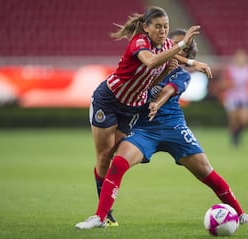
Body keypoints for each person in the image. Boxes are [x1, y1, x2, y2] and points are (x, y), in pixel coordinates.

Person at [75, 29, 248, 229]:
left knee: (205, 171)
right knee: (118, 163)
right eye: (170, 44)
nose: (169, 48)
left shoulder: (182, 75)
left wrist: (158, 103)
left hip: (174, 127)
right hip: (144, 128)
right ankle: (101, 217)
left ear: (185, 56)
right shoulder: (149, 67)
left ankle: (239, 213)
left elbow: (168, 90)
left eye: (178, 46)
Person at [85, 6, 212, 226]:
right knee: (104, 157)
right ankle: (105, 214)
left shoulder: (166, 45)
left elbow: (177, 56)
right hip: (108, 100)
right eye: (158, 26)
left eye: (166, 27)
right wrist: (182, 44)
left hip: (131, 107)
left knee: (116, 156)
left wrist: (193, 63)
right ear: (146, 27)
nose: (163, 31)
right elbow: (152, 61)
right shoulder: (140, 42)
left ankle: (101, 214)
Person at [219, 49, 248, 146]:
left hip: (244, 97)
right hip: (232, 97)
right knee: (234, 120)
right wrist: (228, 84)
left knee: (245, 120)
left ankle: (237, 134)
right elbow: (222, 83)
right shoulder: (230, 69)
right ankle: (234, 138)